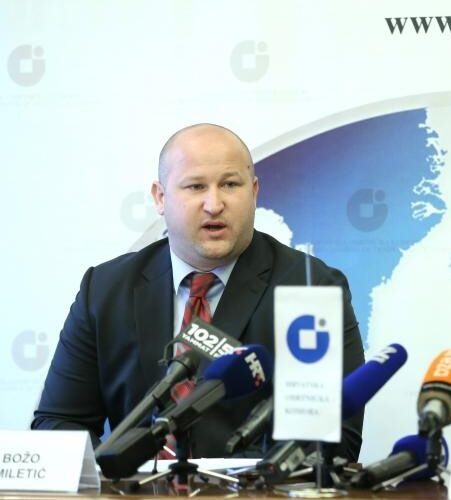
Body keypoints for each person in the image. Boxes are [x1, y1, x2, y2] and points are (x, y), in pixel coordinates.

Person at [32, 123, 365, 461]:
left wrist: (221, 480)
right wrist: (114, 475)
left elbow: (333, 441)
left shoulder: (310, 288)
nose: (214, 204)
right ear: (160, 197)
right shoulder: (106, 289)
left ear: (254, 191)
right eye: (195, 186)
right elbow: (58, 422)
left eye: (230, 184)